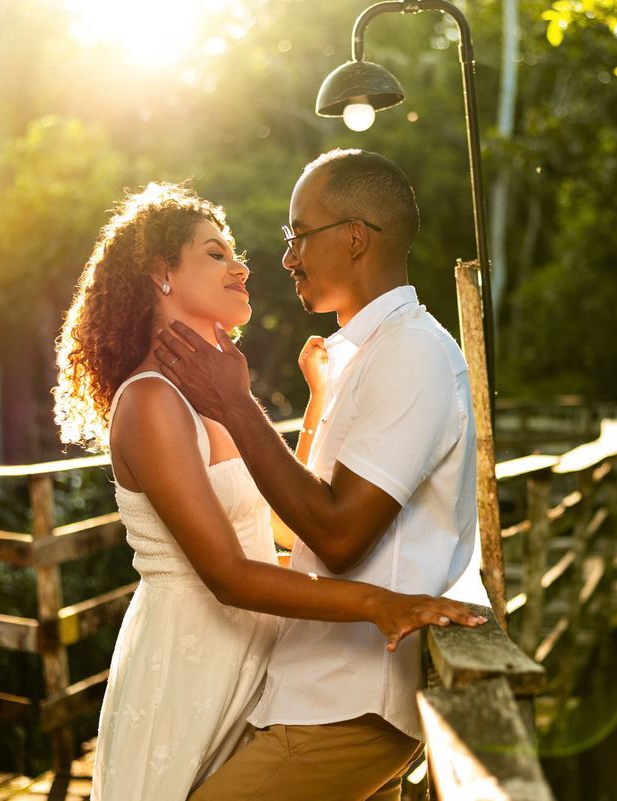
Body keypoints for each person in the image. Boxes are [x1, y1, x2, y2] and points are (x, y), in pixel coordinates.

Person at [52, 181, 482, 801]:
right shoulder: (151, 402)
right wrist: (380, 603)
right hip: (188, 663)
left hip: (252, 661)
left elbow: (277, 527)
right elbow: (227, 571)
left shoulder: (215, 397)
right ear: (159, 274)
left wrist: (315, 406)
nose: (243, 265)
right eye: (215, 253)